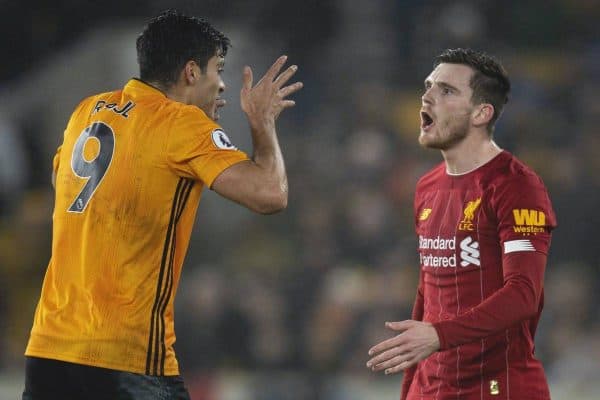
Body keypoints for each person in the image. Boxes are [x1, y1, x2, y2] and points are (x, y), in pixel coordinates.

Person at [23, 9, 302, 400]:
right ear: (191, 72)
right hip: (127, 357)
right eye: (217, 70)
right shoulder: (182, 124)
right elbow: (271, 194)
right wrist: (262, 126)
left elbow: (60, 182)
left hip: (49, 352)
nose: (222, 85)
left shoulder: (87, 111)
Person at [366, 48, 556, 399]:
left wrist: (439, 335)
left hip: (499, 386)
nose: (427, 96)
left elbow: (523, 294)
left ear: (481, 113)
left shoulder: (516, 186)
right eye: (428, 86)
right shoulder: (427, 187)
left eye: (447, 90)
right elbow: (429, 290)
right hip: (433, 387)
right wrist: (410, 388)